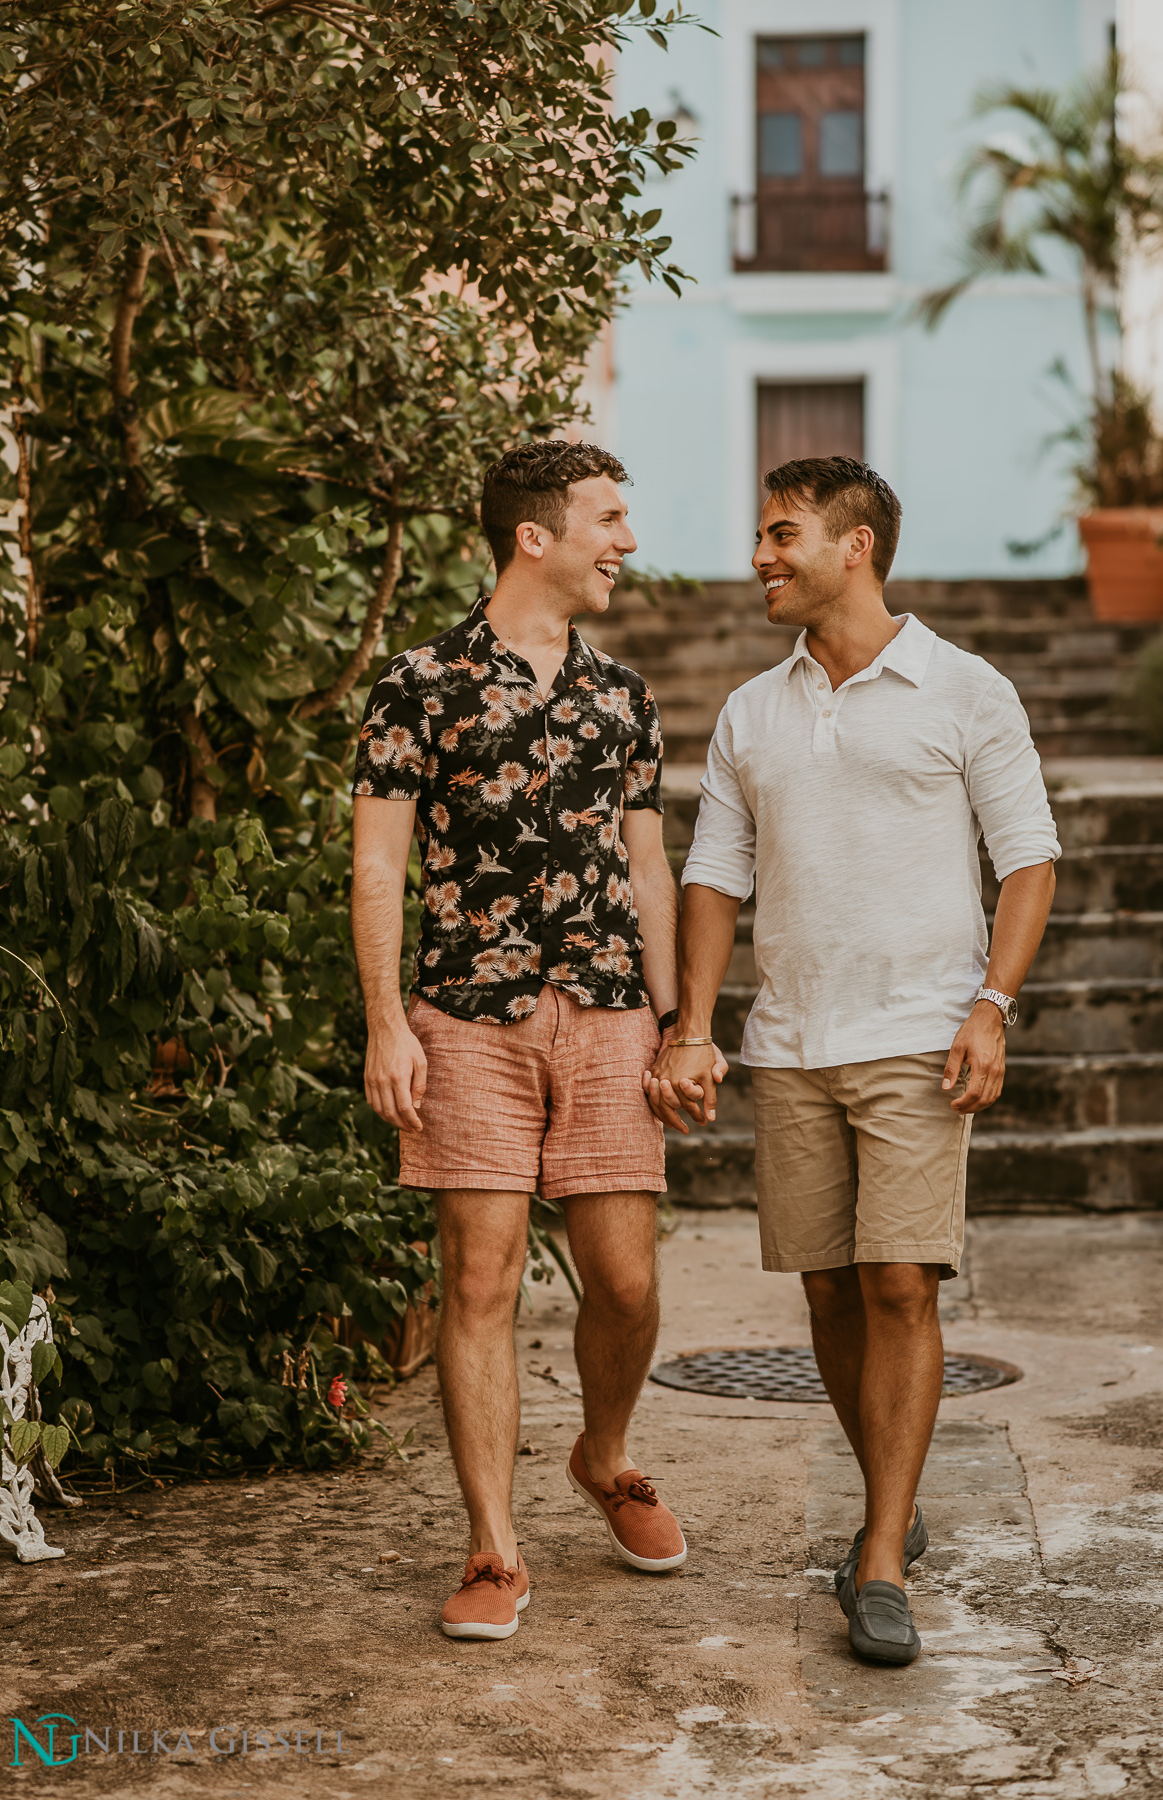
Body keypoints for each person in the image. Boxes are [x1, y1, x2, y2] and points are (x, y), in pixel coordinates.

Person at [646, 457, 1058, 1666]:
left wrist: (991, 1005)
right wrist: (691, 1026)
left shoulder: (964, 689)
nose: (760, 558)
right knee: (825, 1290)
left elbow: (1025, 859)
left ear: (854, 546)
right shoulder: (748, 711)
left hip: (919, 1037)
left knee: (898, 1285)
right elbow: (712, 876)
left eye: (781, 535)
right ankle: (895, 1490)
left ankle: (875, 1555)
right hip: (790, 1043)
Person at [351, 440, 688, 1642]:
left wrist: (682, 1024)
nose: (626, 541)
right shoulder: (419, 681)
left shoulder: (621, 695)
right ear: (532, 535)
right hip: (464, 1016)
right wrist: (387, 1022)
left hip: (605, 1017)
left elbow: (650, 872)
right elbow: (379, 861)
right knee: (479, 1278)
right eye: (608, 517)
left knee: (627, 1283)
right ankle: (493, 1548)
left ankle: (601, 1457)